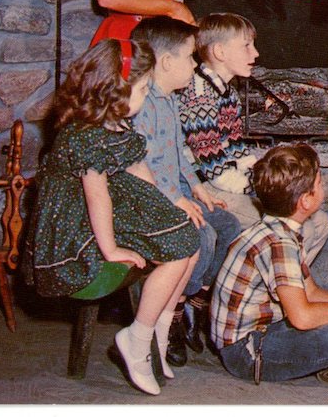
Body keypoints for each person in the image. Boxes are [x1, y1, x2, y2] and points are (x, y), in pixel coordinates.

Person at [23, 38, 199, 396]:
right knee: (181, 243)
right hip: (76, 229)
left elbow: (138, 168)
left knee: (186, 234)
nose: (147, 94)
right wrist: (111, 249)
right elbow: (96, 196)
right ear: (116, 92)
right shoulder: (84, 136)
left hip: (104, 207)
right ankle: (137, 337)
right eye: (144, 88)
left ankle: (159, 333)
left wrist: (170, 205)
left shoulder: (116, 124)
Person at [211, 144, 328, 392]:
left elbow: (310, 292)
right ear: (306, 201)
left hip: (266, 329)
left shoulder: (282, 229)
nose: (323, 188)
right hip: (245, 353)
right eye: (320, 184)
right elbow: (301, 317)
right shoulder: (279, 244)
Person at [129, 16, 242, 368]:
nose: (194, 65)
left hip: (178, 192)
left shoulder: (172, 100)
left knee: (229, 226)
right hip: (151, 197)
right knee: (202, 236)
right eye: (191, 58)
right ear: (166, 62)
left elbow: (179, 151)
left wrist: (195, 188)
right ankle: (174, 313)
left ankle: (195, 302)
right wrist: (176, 198)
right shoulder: (143, 103)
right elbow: (140, 161)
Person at [177, 12, 328, 263]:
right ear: (220, 52)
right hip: (205, 188)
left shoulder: (227, 92)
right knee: (303, 227)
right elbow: (214, 169)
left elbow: (237, 148)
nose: (256, 53)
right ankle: (274, 289)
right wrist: (258, 189)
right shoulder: (200, 95)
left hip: (229, 182)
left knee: (322, 222)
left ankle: (285, 290)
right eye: (247, 46)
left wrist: (261, 177)